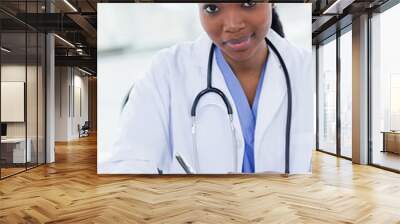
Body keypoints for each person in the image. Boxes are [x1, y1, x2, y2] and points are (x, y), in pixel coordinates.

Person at [104, 3, 313, 174]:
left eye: (248, 3)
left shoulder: (307, 69)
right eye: (212, 8)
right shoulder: (166, 71)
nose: (233, 24)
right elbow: (127, 166)